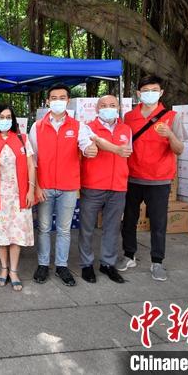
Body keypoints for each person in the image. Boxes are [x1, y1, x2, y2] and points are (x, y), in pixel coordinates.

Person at [29, 84, 99, 287]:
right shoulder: (37, 126)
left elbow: (85, 144)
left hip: (68, 187)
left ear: (68, 101)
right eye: (53, 97)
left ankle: (61, 266)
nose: (57, 100)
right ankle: (43, 264)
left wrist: (90, 149)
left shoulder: (78, 126)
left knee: (64, 229)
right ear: (48, 101)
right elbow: (32, 159)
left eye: (62, 97)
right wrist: (36, 186)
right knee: (43, 228)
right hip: (44, 186)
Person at [120, 76, 185, 281]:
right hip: (132, 177)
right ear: (139, 94)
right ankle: (129, 255)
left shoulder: (172, 117)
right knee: (129, 219)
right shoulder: (129, 117)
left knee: (158, 222)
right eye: (145, 90)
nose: (150, 93)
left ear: (161, 93)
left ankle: (157, 261)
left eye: (154, 90)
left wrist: (170, 135)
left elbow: (180, 149)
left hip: (159, 180)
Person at [0, 105, 36, 291]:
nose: (5, 120)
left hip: (19, 195)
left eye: (8, 117)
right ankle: (3, 269)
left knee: (16, 236)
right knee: (2, 237)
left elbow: (31, 166)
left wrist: (31, 190)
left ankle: (14, 271)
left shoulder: (22, 139)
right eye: (1, 117)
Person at [78, 95, 132, 284]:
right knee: (87, 228)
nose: (108, 108)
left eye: (112, 105)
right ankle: (86, 264)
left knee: (112, 227)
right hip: (93, 185)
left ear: (118, 107)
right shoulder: (87, 127)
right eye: (103, 105)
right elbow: (88, 147)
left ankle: (108, 263)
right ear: (96, 108)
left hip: (118, 186)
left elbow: (128, 154)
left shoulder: (126, 129)